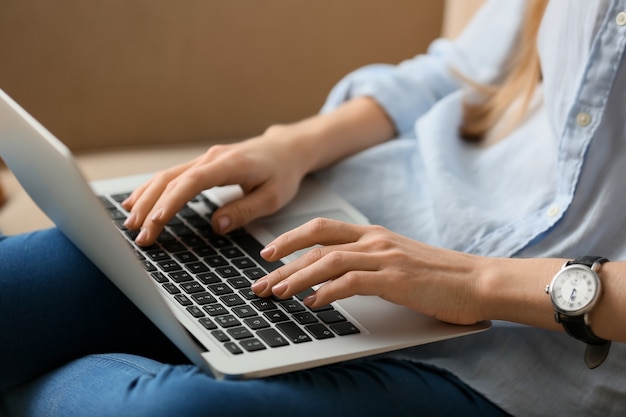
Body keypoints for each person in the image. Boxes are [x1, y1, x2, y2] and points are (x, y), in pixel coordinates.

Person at [1, 0, 626, 415]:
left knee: (168, 411)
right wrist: (290, 146)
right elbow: (465, 71)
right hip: (363, 218)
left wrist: (478, 282)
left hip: (542, 367)